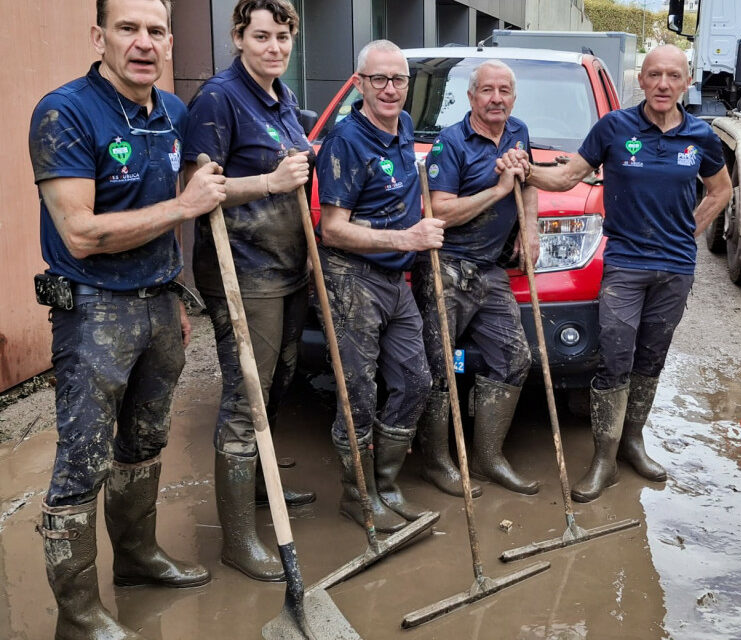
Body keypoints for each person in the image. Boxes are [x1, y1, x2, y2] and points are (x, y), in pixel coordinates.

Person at [27, 0, 226, 637]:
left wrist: (174, 296)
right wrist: (185, 207)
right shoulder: (64, 112)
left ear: (170, 42)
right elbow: (80, 232)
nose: (144, 43)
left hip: (158, 303)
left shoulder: (172, 114)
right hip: (92, 308)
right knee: (82, 459)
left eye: (156, 31)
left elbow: (189, 198)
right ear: (99, 35)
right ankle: (79, 614)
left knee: (145, 441)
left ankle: (138, 560)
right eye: (128, 28)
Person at [499, 45, 733, 503]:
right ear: (640, 82)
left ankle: (632, 443)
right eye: (654, 75)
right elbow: (568, 178)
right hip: (625, 264)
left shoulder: (701, 137)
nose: (663, 84)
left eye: (673, 76)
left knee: (651, 359)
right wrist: (524, 170)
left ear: (686, 83)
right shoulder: (614, 128)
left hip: (675, 269)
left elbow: (720, 189)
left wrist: (691, 230)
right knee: (615, 356)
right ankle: (603, 460)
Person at [183, 0, 313, 583]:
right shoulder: (218, 97)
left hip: (286, 268)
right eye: (262, 36)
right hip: (242, 269)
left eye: (283, 37)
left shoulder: (281, 99)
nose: (274, 48)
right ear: (238, 37)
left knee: (281, 378)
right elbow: (197, 186)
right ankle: (238, 539)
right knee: (246, 397)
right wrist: (270, 179)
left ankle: (262, 492)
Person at [314, 40, 445, 533]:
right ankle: (358, 496)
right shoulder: (346, 140)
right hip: (353, 278)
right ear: (360, 83)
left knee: (416, 380)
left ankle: (386, 485)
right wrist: (408, 236)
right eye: (379, 80)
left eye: (399, 80)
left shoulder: (404, 127)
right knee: (358, 393)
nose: (390, 89)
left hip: (396, 279)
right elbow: (332, 228)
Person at [414, 60, 536, 497]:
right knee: (439, 366)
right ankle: (437, 462)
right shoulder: (451, 143)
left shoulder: (519, 131)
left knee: (515, 357)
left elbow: (530, 183)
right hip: (447, 267)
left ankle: (488, 459)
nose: (497, 98)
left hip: (492, 270)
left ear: (514, 97)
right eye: (487, 90)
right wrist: (499, 190)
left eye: (505, 90)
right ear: (471, 97)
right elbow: (439, 209)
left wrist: (530, 226)